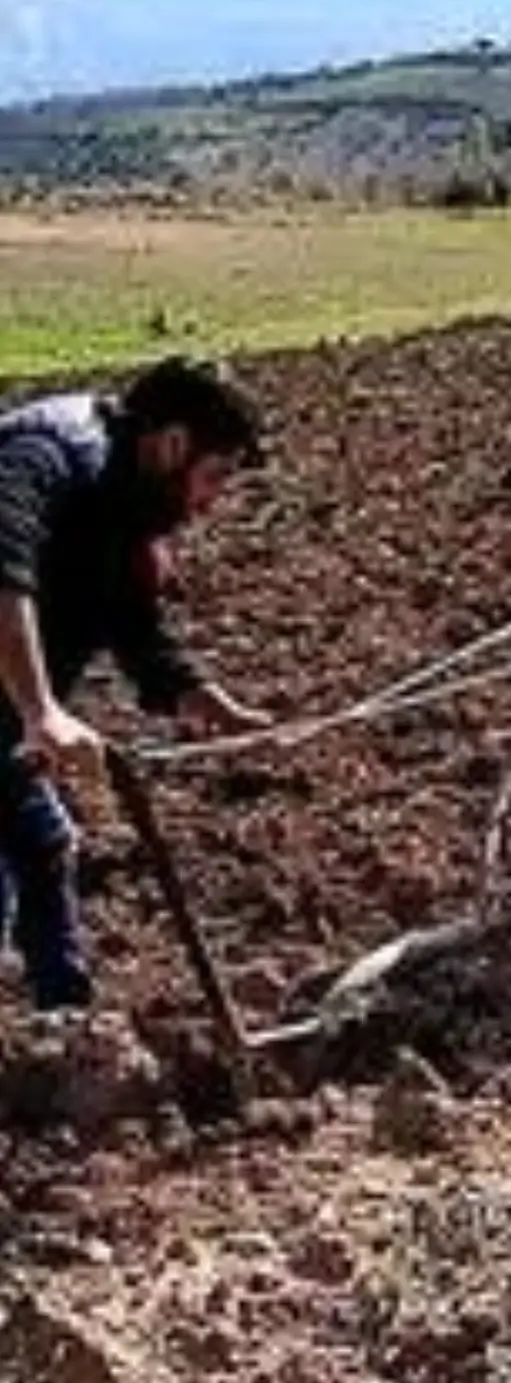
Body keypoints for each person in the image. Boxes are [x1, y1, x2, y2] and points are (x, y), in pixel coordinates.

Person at [0, 355, 270, 1011]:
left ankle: (64, 1032)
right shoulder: (41, 456)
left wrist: (194, 693)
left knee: (42, 844)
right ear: (172, 443)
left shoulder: (124, 499)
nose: (210, 503)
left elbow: (132, 623)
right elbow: (1, 575)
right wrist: (42, 711)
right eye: (212, 477)